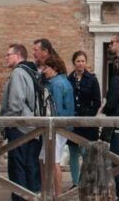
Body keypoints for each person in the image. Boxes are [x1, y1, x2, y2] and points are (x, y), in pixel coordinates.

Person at [1, 43, 41, 198]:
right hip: (32, 127)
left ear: (17, 55)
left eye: (8, 54)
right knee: (30, 167)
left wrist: (8, 124)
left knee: (17, 169)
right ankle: (32, 197)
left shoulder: (18, 72)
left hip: (19, 127)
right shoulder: (32, 71)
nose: (6, 57)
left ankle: (20, 198)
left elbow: (15, 104)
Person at [40, 55, 74, 195]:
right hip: (61, 126)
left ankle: (57, 195)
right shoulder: (62, 81)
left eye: (46, 67)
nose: (43, 70)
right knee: (44, 159)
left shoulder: (57, 84)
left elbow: (57, 109)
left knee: (54, 161)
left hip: (57, 127)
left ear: (54, 68)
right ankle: (47, 193)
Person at [66, 51, 101, 187]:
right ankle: (75, 183)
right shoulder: (69, 79)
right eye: (78, 61)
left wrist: (88, 117)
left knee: (86, 153)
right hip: (73, 122)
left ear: (86, 63)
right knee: (73, 153)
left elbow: (97, 101)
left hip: (87, 123)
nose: (80, 64)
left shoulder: (92, 79)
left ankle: (85, 182)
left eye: (83, 61)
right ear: (74, 63)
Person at [103, 33, 119, 200]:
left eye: (112, 42)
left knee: (117, 163)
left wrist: (104, 108)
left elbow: (111, 103)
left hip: (118, 123)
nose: (110, 45)